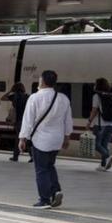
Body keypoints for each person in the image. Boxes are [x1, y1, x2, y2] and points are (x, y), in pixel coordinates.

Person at [19, 70, 73, 209]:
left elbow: (28, 120)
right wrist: (67, 137)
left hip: (41, 140)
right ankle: (56, 191)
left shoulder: (35, 98)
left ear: (42, 81)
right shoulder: (63, 98)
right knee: (50, 165)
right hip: (57, 139)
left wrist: (22, 138)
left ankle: (44, 200)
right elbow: (68, 120)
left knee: (41, 170)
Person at [86, 77, 112, 171]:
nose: (94, 85)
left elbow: (94, 110)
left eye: (95, 84)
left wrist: (89, 122)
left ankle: (108, 156)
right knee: (104, 144)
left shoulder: (97, 96)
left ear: (98, 85)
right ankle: (103, 165)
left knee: (96, 145)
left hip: (101, 124)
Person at [0, 82, 30, 162]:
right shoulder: (27, 96)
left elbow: (2, 98)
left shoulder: (14, 96)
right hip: (27, 120)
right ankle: (32, 157)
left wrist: (10, 91)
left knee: (18, 138)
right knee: (28, 138)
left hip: (18, 121)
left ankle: (15, 156)